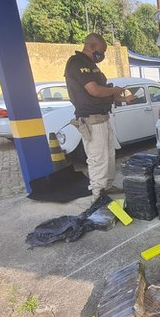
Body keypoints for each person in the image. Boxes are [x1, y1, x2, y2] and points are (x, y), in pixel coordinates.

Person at [64, 33, 133, 200]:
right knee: (98, 158)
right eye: (102, 51)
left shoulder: (92, 66)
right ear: (92, 46)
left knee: (109, 156)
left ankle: (107, 187)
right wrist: (115, 90)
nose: (102, 55)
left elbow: (103, 92)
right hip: (91, 119)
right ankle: (97, 196)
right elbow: (94, 90)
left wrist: (123, 98)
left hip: (102, 117)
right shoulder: (77, 63)